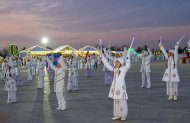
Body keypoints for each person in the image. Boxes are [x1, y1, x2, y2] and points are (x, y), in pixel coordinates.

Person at [101, 51, 131, 121]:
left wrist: (127, 57)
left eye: (117, 62)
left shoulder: (123, 69)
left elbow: (128, 65)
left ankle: (123, 115)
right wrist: (102, 57)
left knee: (122, 102)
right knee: (116, 102)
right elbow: (107, 65)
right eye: (115, 62)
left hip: (121, 88)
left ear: (120, 63)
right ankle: (117, 114)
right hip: (115, 88)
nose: (115, 63)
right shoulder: (114, 69)